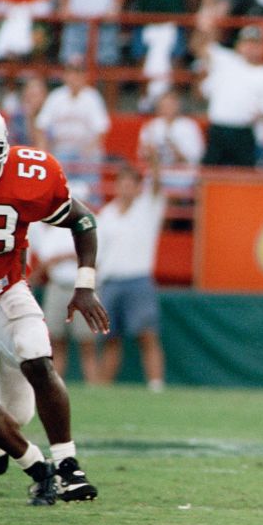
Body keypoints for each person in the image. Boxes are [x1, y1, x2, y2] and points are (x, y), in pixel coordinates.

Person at [0, 102, 110, 503]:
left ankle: (69, 466)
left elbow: (82, 219)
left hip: (4, 288)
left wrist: (84, 284)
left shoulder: (30, 173)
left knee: (36, 358)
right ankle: (36, 465)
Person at [96, 162, 169, 392]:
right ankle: (103, 388)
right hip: (110, 281)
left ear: (139, 187)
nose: (125, 188)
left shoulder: (147, 208)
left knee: (147, 335)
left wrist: (154, 159)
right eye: (121, 183)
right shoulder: (107, 213)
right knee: (110, 339)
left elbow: (157, 186)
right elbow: (98, 251)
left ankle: (156, 385)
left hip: (137, 279)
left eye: (130, 184)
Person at [192, 12, 263, 167]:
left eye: (256, 44)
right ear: (238, 45)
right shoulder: (225, 60)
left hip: (245, 131)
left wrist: (260, 114)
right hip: (218, 129)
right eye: (247, 42)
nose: (251, 48)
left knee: (243, 177)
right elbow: (198, 47)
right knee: (209, 175)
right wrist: (203, 27)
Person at [27, 219, 101, 383]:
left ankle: (94, 385)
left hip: (81, 286)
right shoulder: (38, 229)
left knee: (87, 342)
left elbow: (90, 256)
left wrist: (63, 258)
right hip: (57, 285)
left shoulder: (75, 222)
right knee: (56, 340)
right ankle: (55, 384)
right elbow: (45, 261)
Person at [34, 58, 110, 195]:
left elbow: (101, 129)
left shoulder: (92, 97)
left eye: (78, 73)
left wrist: (88, 150)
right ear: (65, 75)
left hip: (86, 151)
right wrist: (43, 150)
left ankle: (92, 206)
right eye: (71, 73)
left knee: (90, 168)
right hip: (61, 149)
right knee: (56, 173)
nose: (75, 77)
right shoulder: (56, 97)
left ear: (84, 76)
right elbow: (41, 126)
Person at [136, 89, 205, 189]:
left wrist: (177, 153)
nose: (167, 108)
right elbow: (142, 155)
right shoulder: (151, 127)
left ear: (177, 105)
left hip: (183, 176)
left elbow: (197, 157)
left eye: (170, 105)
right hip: (156, 175)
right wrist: (150, 152)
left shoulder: (189, 126)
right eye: (164, 105)